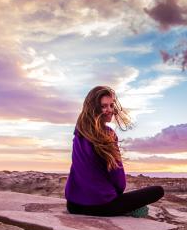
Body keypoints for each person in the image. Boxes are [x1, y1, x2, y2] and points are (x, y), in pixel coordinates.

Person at [65, 86, 164, 216]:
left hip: (73, 205)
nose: (110, 110)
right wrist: (115, 196)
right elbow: (119, 181)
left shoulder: (79, 132)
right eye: (104, 106)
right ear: (93, 108)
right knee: (158, 191)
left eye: (111, 105)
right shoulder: (107, 133)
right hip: (100, 206)